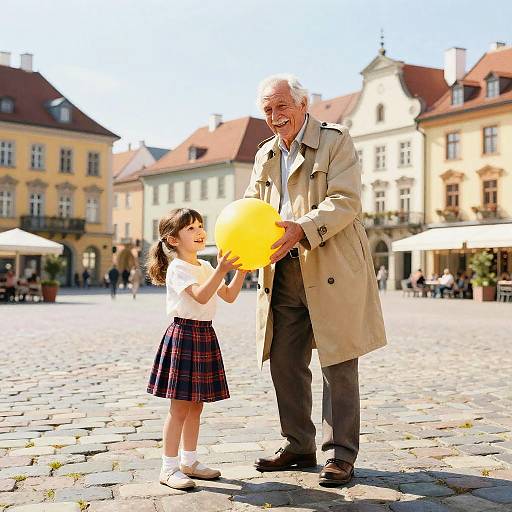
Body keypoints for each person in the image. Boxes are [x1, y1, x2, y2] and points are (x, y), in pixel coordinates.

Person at [244, 74, 387, 487]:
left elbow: (345, 200)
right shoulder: (265, 153)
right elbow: (253, 205)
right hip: (281, 268)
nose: (275, 116)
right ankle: (298, 443)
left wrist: (301, 227)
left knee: (338, 362)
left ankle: (340, 454)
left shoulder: (335, 140)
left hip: (330, 266)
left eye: (282, 107)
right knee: (285, 362)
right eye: (268, 110)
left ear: (303, 105)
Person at [146, 208, 247, 490]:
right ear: (173, 239)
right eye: (190, 228)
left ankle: (188, 461)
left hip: (204, 335)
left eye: (200, 225)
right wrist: (222, 270)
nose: (199, 231)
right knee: (179, 409)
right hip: (184, 336)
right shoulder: (178, 268)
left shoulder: (204, 266)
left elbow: (228, 296)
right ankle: (168, 468)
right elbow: (202, 297)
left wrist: (239, 272)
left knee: (197, 407)